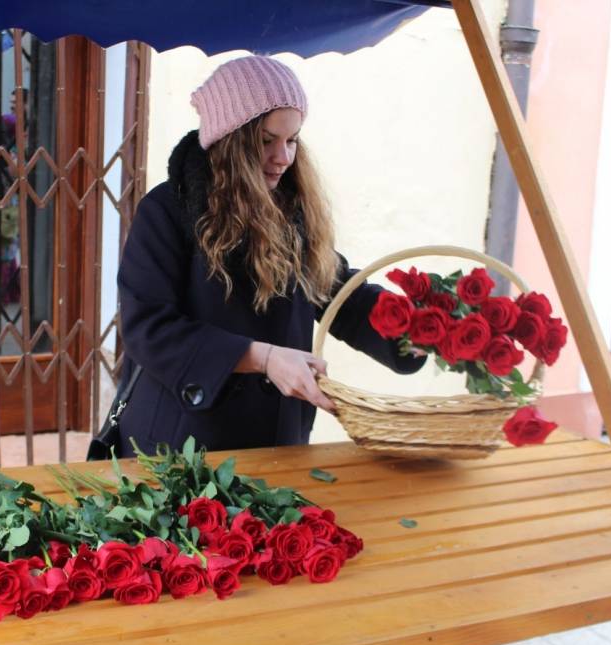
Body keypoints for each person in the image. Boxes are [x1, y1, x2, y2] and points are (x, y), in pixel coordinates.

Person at [115, 56, 425, 457]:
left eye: (292, 139)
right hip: (184, 448)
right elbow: (148, 330)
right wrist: (262, 358)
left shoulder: (292, 211)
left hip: (276, 440)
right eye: (265, 140)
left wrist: (414, 332)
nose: (284, 156)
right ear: (228, 140)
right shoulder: (166, 211)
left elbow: (339, 293)